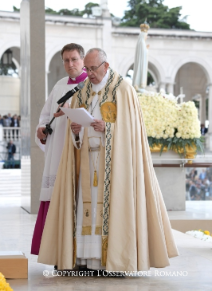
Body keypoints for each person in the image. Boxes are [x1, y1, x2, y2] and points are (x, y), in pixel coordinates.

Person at [38, 48, 178, 273]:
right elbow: (74, 133)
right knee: (86, 208)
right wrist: (76, 131)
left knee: (109, 210)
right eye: (88, 69)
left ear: (106, 65)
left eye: (93, 68)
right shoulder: (81, 92)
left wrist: (108, 129)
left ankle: (112, 262)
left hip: (113, 166)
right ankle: (85, 260)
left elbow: (132, 132)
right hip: (86, 163)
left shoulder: (123, 90)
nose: (90, 73)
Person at [31, 43, 87, 255]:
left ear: (82, 61)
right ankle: (55, 251)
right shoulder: (59, 86)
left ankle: (77, 253)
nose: (70, 64)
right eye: (66, 60)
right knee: (54, 197)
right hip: (56, 152)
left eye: (74, 59)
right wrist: (40, 130)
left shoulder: (90, 86)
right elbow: (46, 116)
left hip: (78, 151)